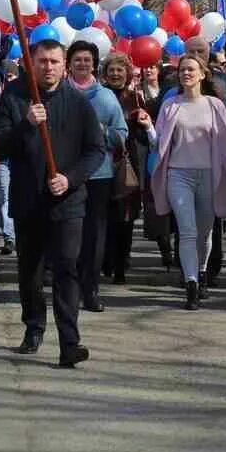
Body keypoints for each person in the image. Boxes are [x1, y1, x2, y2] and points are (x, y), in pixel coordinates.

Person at [0, 40, 104, 367]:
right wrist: (26, 123)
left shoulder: (79, 103)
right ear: (32, 63)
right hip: (28, 201)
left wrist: (70, 178)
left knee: (67, 269)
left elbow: (95, 151)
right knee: (31, 272)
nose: (49, 67)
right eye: (42, 61)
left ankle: (70, 342)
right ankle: (34, 324)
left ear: (64, 65)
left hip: (67, 202)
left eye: (55, 61)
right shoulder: (13, 97)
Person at [140, 55, 226, 309]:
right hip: (178, 175)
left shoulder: (214, 105)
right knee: (186, 231)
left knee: (204, 232)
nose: (186, 73)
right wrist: (147, 127)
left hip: (210, 175)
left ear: (202, 75)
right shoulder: (170, 106)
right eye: (182, 70)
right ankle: (191, 286)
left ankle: (201, 271)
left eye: (191, 69)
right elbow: (159, 143)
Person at [65, 40, 127, 312]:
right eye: (77, 59)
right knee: (67, 235)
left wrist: (101, 130)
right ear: (69, 63)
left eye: (87, 60)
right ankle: (67, 288)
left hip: (99, 175)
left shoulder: (106, 97)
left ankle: (90, 290)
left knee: (93, 234)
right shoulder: (58, 93)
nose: (82, 64)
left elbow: (121, 135)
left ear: (94, 64)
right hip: (65, 175)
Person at [101, 52, 149, 283]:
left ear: (127, 74)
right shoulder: (99, 95)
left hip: (128, 164)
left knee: (125, 216)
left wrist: (142, 122)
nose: (115, 74)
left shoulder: (136, 98)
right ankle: (106, 259)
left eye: (120, 70)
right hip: (101, 162)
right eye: (111, 70)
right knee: (104, 215)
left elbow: (144, 136)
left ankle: (121, 262)